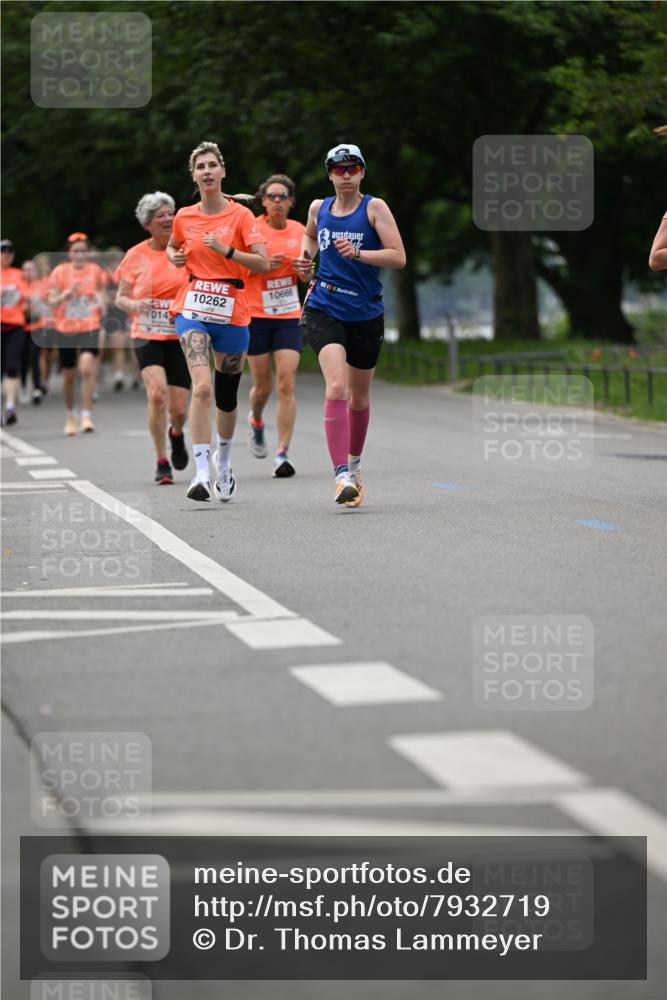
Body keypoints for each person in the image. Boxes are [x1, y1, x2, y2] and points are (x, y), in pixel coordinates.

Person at [295, 144, 406, 506]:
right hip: (324, 306)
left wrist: (359, 253)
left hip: (366, 312)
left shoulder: (374, 208)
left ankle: (355, 466)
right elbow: (310, 236)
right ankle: (340, 474)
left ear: (362, 172)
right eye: (338, 169)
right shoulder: (318, 208)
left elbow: (398, 257)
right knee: (337, 387)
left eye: (352, 168)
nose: (345, 175)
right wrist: (305, 258)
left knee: (359, 396)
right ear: (329, 174)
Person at [167, 140, 269, 502]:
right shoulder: (184, 215)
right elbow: (173, 245)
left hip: (233, 309)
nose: (207, 171)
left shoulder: (241, 216)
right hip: (192, 306)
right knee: (202, 388)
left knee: (226, 396)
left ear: (223, 172)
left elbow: (263, 262)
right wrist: (175, 258)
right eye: (200, 167)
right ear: (194, 176)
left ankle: (224, 462)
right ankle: (201, 473)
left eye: (213, 165)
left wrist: (226, 250)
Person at [116, 192, 191, 484]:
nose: (168, 219)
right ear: (148, 223)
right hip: (146, 334)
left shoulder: (185, 250)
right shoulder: (135, 255)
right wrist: (134, 305)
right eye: (160, 215)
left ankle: (177, 433)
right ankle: (162, 461)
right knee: (157, 394)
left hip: (180, 335)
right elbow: (120, 297)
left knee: (179, 409)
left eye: (170, 213)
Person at [244, 175, 306, 477]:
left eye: (283, 196)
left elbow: (309, 276)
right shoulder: (253, 229)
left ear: (291, 201)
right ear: (263, 201)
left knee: (286, 382)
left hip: (288, 315)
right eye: (272, 196)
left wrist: (303, 270)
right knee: (264, 386)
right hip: (256, 315)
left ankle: (282, 453)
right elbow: (236, 269)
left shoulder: (301, 231)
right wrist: (262, 265)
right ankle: (256, 419)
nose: (278, 201)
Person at [48, 233, 108, 434]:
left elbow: (102, 293)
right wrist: (65, 294)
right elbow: (52, 300)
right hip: (65, 328)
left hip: (89, 326)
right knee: (69, 375)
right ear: (68, 253)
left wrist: (102, 303)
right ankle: (70, 414)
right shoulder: (59, 271)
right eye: (76, 252)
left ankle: (87, 416)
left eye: (83, 251)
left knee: (87, 369)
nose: (80, 255)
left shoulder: (96, 271)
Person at [1, 238, 28, 425]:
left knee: (12, 365)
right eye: (3, 251)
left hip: (16, 326)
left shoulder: (19, 275)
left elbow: (27, 299)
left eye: (9, 252)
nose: (6, 255)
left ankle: (10, 406)